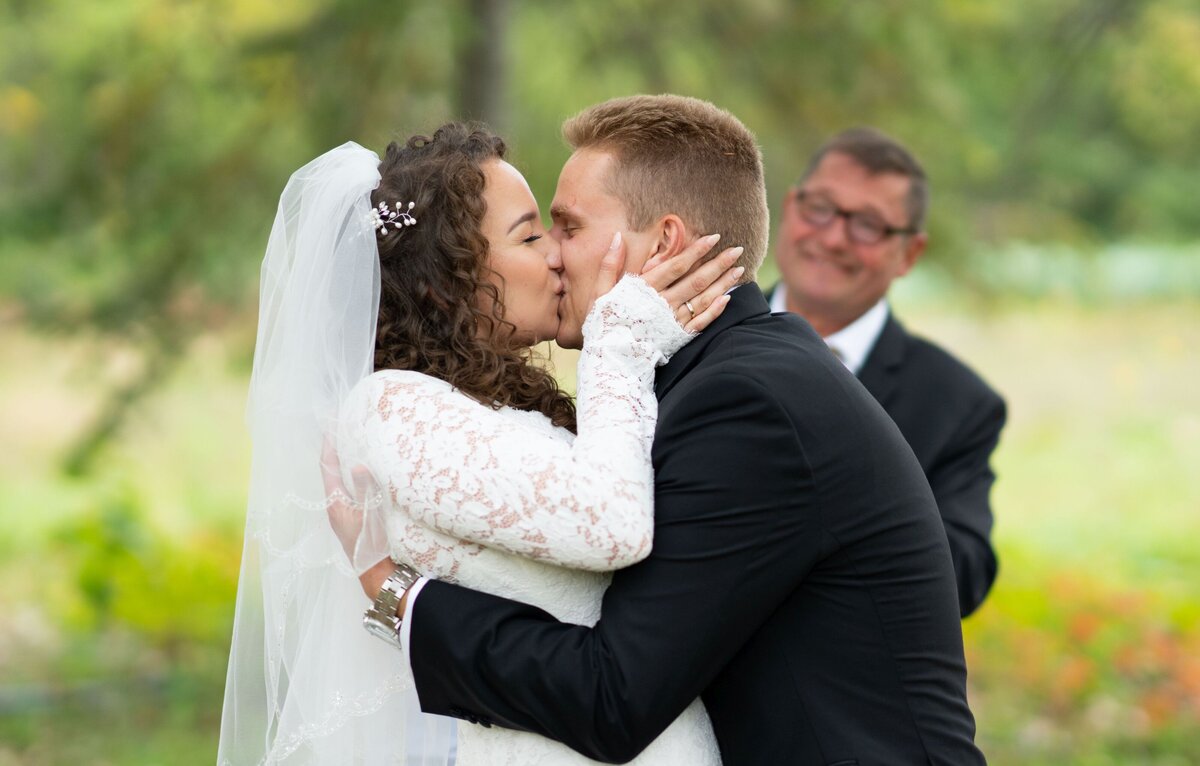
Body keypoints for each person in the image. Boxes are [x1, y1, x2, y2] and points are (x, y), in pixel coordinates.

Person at [367, 95, 986, 765]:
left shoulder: (749, 402)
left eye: (568, 227)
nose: (554, 256)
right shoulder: (715, 375)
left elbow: (612, 696)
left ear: (662, 243)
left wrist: (396, 594)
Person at [217, 124, 744, 765]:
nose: (558, 254)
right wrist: (619, 339)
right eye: (529, 235)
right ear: (446, 283)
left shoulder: (494, 404)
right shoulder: (393, 410)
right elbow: (616, 523)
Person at [767, 127, 1006, 617]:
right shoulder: (690, 331)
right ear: (790, 208)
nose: (833, 237)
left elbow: (964, 576)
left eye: (869, 225)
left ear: (910, 254)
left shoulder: (957, 402)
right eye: (820, 208)